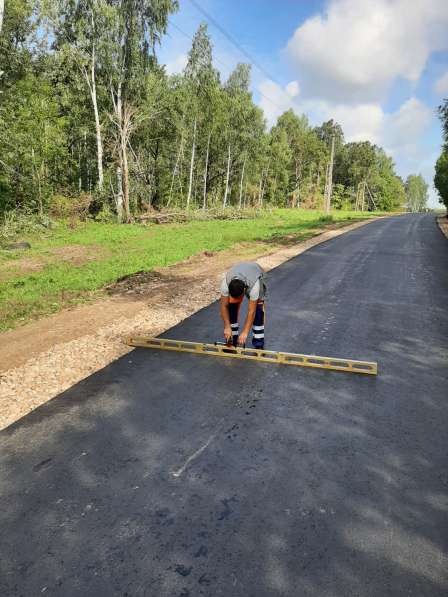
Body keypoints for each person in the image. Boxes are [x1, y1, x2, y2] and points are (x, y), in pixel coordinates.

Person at [220, 261, 266, 349]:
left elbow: (251, 311)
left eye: (239, 297)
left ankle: (258, 342)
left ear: (245, 290)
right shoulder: (225, 284)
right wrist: (226, 326)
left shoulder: (254, 287)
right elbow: (223, 306)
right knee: (231, 306)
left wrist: (245, 332)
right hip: (239, 272)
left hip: (255, 273)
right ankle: (232, 339)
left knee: (258, 308)